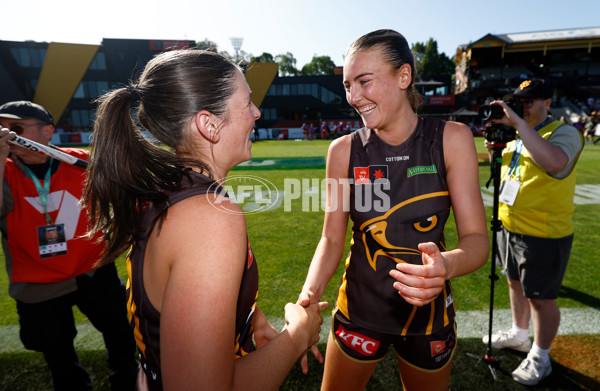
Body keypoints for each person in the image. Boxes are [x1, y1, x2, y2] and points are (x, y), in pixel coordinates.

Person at [82, 49, 329, 391]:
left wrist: (245, 317)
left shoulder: (166, 193)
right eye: (247, 103)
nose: (256, 113)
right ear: (208, 124)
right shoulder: (210, 219)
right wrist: (297, 337)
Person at [298, 30, 489, 391]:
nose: (354, 97)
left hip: (428, 318)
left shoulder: (452, 139)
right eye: (347, 85)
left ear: (404, 77)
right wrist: (307, 298)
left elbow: (477, 240)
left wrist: (446, 265)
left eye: (364, 82)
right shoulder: (342, 151)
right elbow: (331, 238)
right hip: (359, 310)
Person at [0, 101, 139, 390]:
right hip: (37, 279)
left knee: (120, 333)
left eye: (15, 127)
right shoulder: (5, 171)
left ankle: (127, 378)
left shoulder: (80, 161)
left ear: (47, 131)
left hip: (92, 269)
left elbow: (127, 196)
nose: (6, 133)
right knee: (56, 351)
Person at [481, 79, 584, 386]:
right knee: (514, 284)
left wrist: (518, 126)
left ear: (547, 103)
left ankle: (541, 354)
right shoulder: (517, 136)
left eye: (529, 102)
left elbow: (554, 163)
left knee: (541, 298)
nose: (522, 107)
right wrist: (493, 150)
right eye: (519, 102)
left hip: (544, 232)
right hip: (511, 225)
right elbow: (506, 175)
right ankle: (519, 335)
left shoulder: (564, 132)